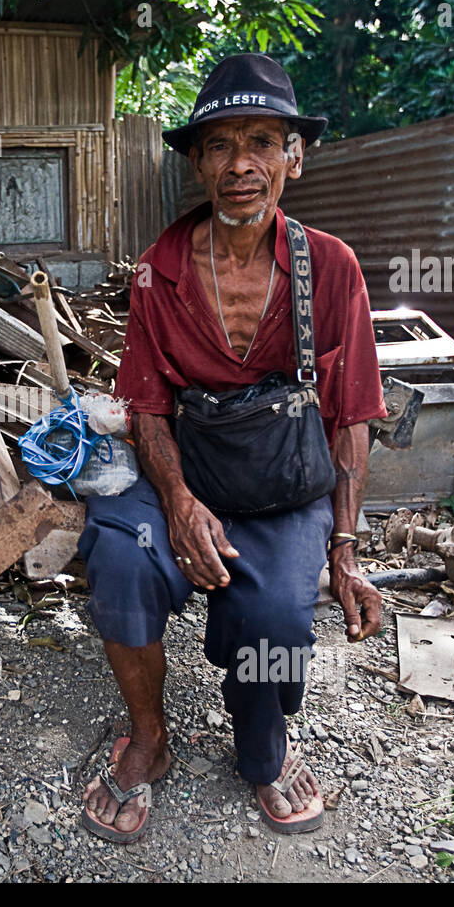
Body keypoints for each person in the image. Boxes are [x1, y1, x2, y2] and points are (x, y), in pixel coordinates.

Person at [79, 53, 386, 843]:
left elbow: (350, 415)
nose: (241, 164)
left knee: (276, 614)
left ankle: (264, 749)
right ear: (196, 162)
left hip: (283, 485)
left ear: (295, 154)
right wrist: (178, 504)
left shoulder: (333, 268)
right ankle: (148, 737)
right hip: (187, 471)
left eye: (261, 141)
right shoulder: (159, 272)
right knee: (118, 556)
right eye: (219, 145)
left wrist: (345, 550)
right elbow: (144, 406)